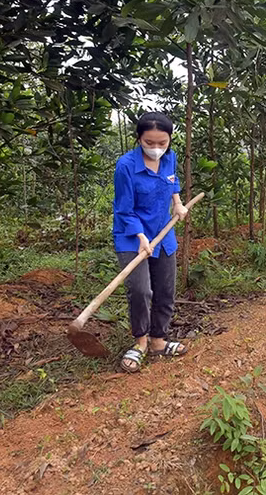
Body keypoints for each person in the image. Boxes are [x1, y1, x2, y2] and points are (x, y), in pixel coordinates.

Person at [113, 112, 188, 373]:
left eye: (162, 143)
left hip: (163, 234)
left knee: (165, 289)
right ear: (139, 139)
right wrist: (142, 238)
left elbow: (172, 181)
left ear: (169, 141)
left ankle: (159, 341)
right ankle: (141, 342)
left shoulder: (170, 158)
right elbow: (123, 209)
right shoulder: (125, 166)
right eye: (149, 143)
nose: (156, 149)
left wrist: (177, 203)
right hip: (132, 237)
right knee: (142, 290)